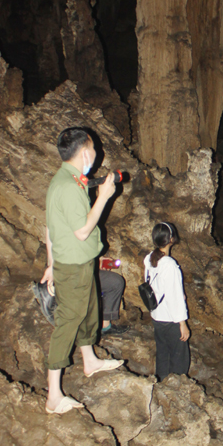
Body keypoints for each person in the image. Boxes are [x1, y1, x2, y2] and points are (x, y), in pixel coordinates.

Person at [41, 127, 124, 415]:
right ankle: (53, 395)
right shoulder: (68, 187)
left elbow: (50, 226)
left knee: (90, 311)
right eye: (94, 149)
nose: (96, 154)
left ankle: (90, 361)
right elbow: (82, 230)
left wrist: (50, 264)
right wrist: (104, 196)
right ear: (86, 153)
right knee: (68, 322)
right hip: (73, 266)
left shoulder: (67, 179)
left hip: (79, 263)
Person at [144, 222, 190, 379]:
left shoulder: (150, 258)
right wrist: (182, 324)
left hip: (157, 315)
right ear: (171, 239)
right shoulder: (170, 265)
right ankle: (177, 386)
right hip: (170, 319)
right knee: (179, 357)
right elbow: (174, 297)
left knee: (163, 352)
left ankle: (162, 381)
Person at [33, 261, 129, 336]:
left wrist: (96, 262)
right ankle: (51, 293)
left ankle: (105, 325)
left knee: (115, 282)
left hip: (85, 269)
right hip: (69, 272)